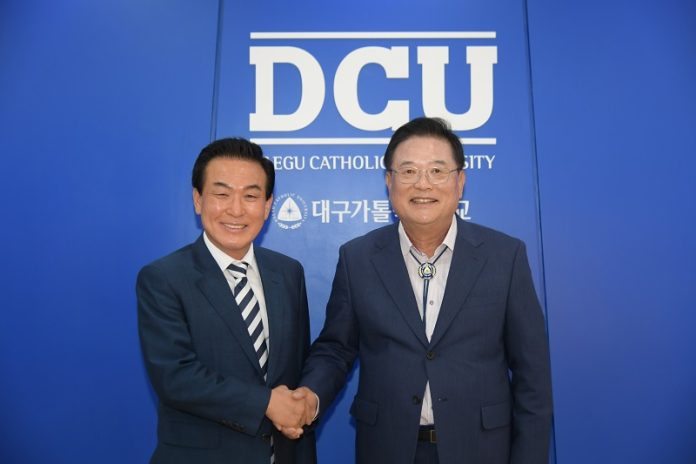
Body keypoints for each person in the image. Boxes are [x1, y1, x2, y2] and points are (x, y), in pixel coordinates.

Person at [292, 117, 553, 463]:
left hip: (481, 449)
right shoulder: (357, 258)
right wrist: (309, 395)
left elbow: (532, 376)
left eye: (437, 171)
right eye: (409, 171)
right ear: (389, 181)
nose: (423, 184)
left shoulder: (505, 256)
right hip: (386, 449)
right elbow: (336, 350)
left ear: (460, 182)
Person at [137, 138, 316, 464]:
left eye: (251, 196)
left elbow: (297, 367)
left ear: (267, 205)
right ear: (198, 200)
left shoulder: (288, 272)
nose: (236, 209)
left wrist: (301, 405)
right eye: (221, 194)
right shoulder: (163, 278)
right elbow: (175, 377)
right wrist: (267, 403)